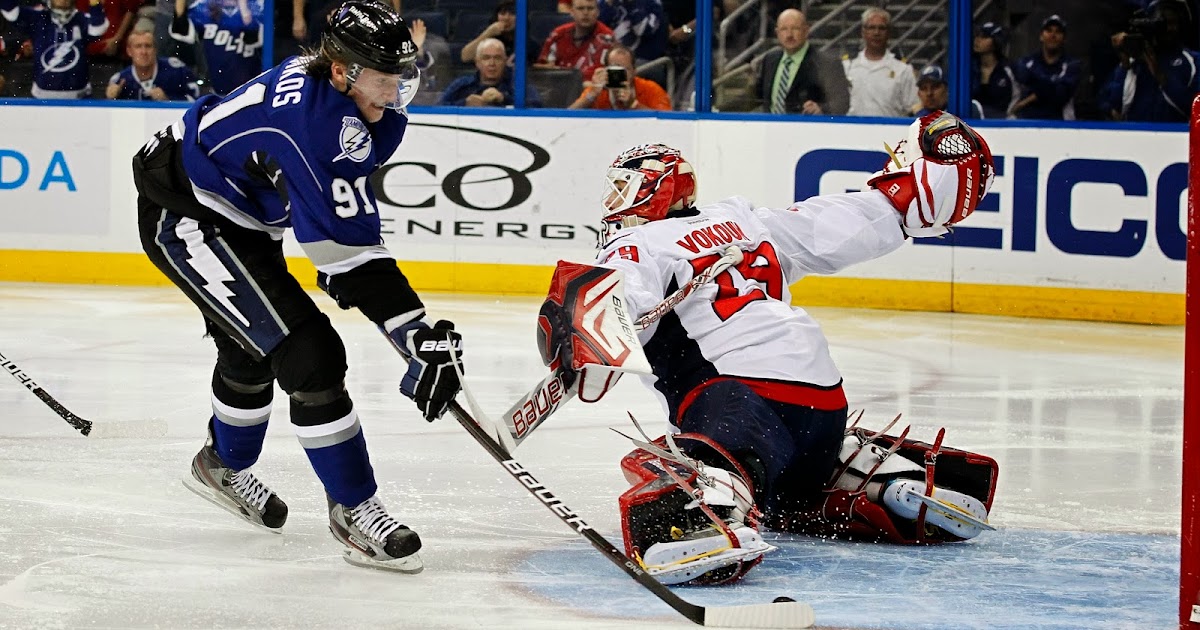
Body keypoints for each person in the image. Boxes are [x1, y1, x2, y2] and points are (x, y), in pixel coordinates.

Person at [538, 112, 998, 585]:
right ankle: (868, 478)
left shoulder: (635, 243)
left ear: (657, 189)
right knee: (789, 484)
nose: (613, 203)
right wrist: (910, 195)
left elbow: (615, 295)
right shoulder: (743, 221)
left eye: (623, 188)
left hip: (743, 405)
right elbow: (845, 222)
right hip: (824, 406)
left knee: (700, 454)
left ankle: (707, 501)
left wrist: (580, 337)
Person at [132, 1, 463, 573]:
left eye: (400, 80)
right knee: (308, 353)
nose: (394, 96)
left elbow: (341, 233)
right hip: (186, 216)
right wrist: (412, 331)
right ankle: (355, 509)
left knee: (253, 345)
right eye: (384, 82)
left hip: (237, 211)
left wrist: (399, 318)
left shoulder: (351, 106)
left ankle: (221, 465)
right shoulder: (315, 126)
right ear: (341, 72)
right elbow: (348, 255)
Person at [1100, 0, 1200, 122]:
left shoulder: (1194, 61)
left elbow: (1195, 111)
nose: (1169, 29)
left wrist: (1160, 76)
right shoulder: (1134, 61)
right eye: (1163, 23)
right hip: (1137, 136)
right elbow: (1116, 110)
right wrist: (1125, 65)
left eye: (1173, 23)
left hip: (1176, 137)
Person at [0, 0, 108, 98]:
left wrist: (95, 2)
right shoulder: (38, 17)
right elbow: (11, 13)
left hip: (79, 97)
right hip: (42, 98)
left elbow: (98, 28)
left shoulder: (81, 18)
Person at [755, 8, 848, 115]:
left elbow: (842, 102)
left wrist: (821, 109)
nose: (789, 35)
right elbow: (760, 98)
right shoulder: (769, 59)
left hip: (809, 129)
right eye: (784, 29)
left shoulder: (827, 63)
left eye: (795, 29)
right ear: (777, 33)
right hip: (772, 129)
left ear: (806, 31)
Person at [170, 0, 262, 96]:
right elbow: (181, 30)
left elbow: (253, 39)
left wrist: (244, 7)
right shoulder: (203, 6)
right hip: (217, 90)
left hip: (253, 88)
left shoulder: (258, 5)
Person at [842, 7, 917, 117]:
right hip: (853, 131)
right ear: (863, 32)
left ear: (889, 33)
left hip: (890, 132)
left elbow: (913, 107)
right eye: (871, 28)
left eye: (881, 28)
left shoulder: (903, 69)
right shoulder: (848, 66)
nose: (876, 33)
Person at [1010, 14, 1081, 120]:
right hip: (1026, 123)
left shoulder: (1072, 65)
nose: (1053, 35)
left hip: (1060, 125)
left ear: (1064, 39)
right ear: (1041, 36)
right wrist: (1050, 86)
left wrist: (1027, 100)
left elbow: (1060, 95)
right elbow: (1021, 76)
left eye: (1058, 32)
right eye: (1049, 31)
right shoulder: (1027, 62)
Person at [440, 37, 541, 107]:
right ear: (477, 62)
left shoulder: (518, 85)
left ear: (505, 61)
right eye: (486, 58)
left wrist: (504, 99)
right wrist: (465, 103)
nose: (492, 63)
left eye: (497, 58)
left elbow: (536, 106)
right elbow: (438, 108)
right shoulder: (462, 85)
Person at [568, 43, 669, 110]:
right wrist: (591, 96)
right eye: (614, 69)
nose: (619, 75)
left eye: (625, 70)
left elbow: (668, 121)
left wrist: (633, 105)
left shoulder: (650, 88)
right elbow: (567, 116)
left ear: (634, 71)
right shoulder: (597, 89)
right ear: (605, 69)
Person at [106, 28, 199, 100]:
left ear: (155, 49)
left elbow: (196, 103)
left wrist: (168, 99)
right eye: (138, 46)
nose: (143, 52)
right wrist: (110, 99)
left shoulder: (177, 71)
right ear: (129, 51)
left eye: (148, 46)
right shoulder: (119, 80)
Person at [534, 0, 613, 79]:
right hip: (558, 85)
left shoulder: (606, 37)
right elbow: (541, 68)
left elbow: (600, 74)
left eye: (590, 8)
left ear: (597, 12)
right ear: (572, 12)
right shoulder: (558, 34)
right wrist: (550, 68)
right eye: (580, 8)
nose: (585, 13)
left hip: (591, 87)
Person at [460, 0, 538, 66]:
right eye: (502, 13)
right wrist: (488, 33)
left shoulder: (529, 44)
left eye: (512, 13)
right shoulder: (487, 34)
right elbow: (465, 57)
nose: (506, 18)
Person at [970, 20, 1017, 119]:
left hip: (1000, 122)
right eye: (977, 35)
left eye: (984, 37)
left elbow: (1016, 97)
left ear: (996, 41)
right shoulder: (969, 68)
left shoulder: (1008, 70)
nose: (977, 40)